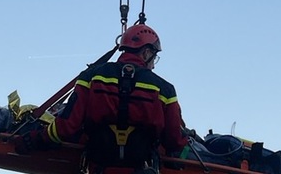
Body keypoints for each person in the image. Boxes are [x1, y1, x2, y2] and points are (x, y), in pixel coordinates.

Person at [14, 24, 188, 174]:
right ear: (146, 52)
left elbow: (66, 126)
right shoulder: (165, 89)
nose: (153, 65)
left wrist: (35, 139)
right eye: (154, 58)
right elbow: (174, 140)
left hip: (99, 168)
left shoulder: (91, 76)